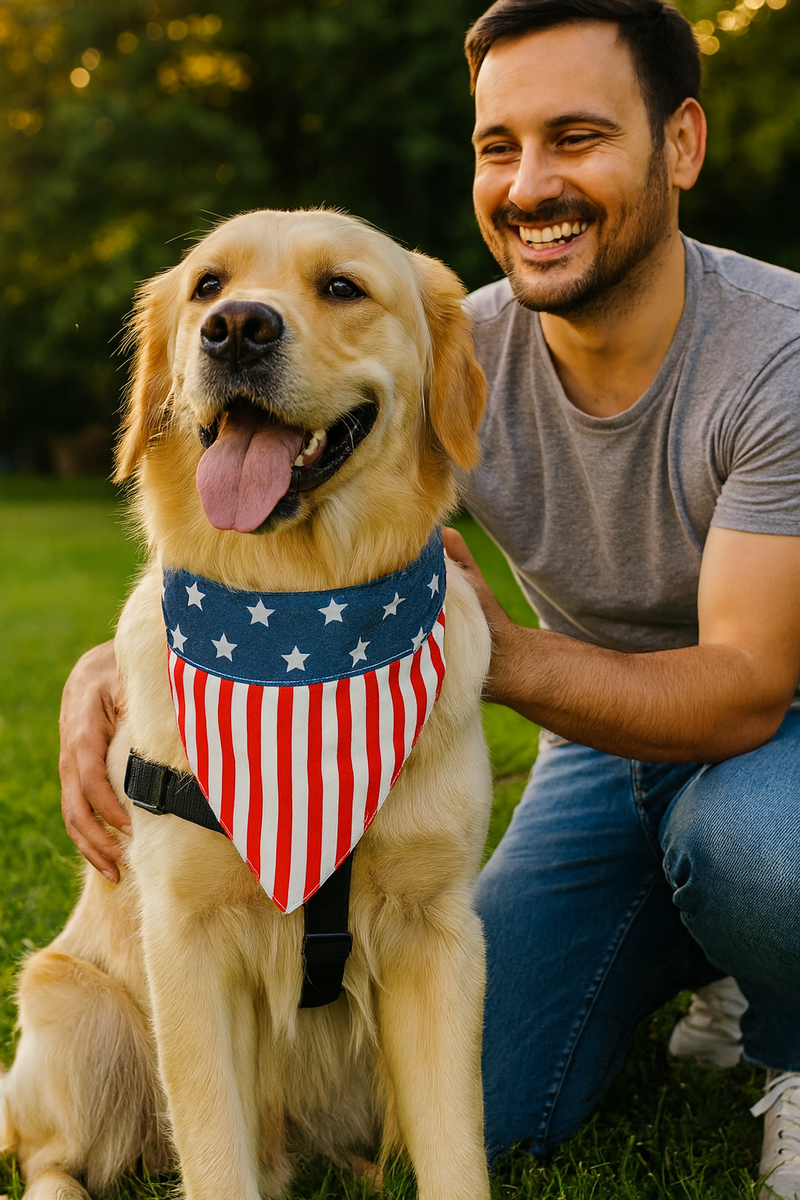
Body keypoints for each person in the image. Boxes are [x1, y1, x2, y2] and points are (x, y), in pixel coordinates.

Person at [57, 0, 800, 1193]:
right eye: (498, 147)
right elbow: (239, 535)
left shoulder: (780, 357)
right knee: (477, 1096)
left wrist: (482, 653)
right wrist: (120, 664)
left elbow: (743, 692)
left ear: (680, 145)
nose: (530, 184)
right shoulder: (447, 339)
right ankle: (698, 935)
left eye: (577, 136)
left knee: (755, 844)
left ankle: (786, 1025)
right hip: (594, 754)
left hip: (774, 744)